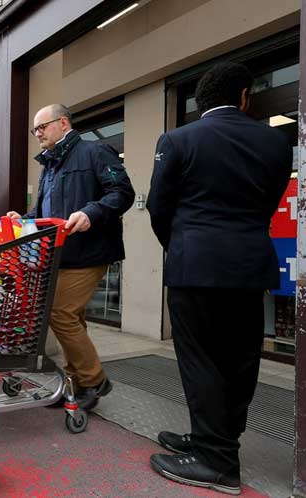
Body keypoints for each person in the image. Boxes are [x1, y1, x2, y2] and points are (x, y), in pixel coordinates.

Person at [146, 62, 291, 495]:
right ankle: (215, 439)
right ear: (245, 96)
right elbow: (270, 199)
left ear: (198, 102)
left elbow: (159, 208)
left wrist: (184, 244)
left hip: (195, 266)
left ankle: (216, 461)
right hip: (249, 262)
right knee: (240, 360)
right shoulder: (275, 140)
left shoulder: (177, 140)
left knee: (201, 360)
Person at [6, 103, 134, 410]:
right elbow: (43, 212)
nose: (37, 134)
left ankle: (94, 380)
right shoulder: (50, 165)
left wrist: (92, 212)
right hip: (61, 254)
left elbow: (122, 192)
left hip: (89, 250)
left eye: (42, 127)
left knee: (60, 313)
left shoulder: (94, 152)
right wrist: (22, 219)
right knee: (72, 316)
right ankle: (76, 385)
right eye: (35, 130)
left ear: (63, 123)